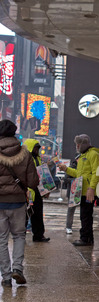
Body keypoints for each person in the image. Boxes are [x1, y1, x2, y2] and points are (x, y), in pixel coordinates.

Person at [0, 120, 39, 286]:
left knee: (1, 239)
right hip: (18, 202)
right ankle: (17, 268)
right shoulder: (25, 153)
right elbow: (33, 182)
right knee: (19, 236)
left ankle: (6, 277)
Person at [58, 134, 99, 246]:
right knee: (84, 215)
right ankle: (87, 238)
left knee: (86, 215)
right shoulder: (82, 157)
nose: (77, 146)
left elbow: (97, 173)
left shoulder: (94, 155)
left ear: (84, 144)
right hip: (83, 191)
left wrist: (91, 188)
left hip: (88, 192)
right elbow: (78, 174)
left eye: (79, 143)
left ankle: (86, 238)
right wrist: (66, 169)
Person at [23, 138, 50, 242]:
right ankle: (22, 236)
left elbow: (43, 174)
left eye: (38, 148)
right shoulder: (26, 159)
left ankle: (38, 235)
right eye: (35, 148)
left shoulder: (38, 159)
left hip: (37, 191)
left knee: (38, 214)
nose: (37, 150)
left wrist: (46, 189)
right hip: (29, 191)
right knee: (26, 215)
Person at [64, 154, 79, 234]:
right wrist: (76, 180)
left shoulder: (85, 167)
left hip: (82, 191)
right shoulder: (71, 167)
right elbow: (66, 179)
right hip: (73, 192)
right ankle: (68, 227)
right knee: (71, 210)